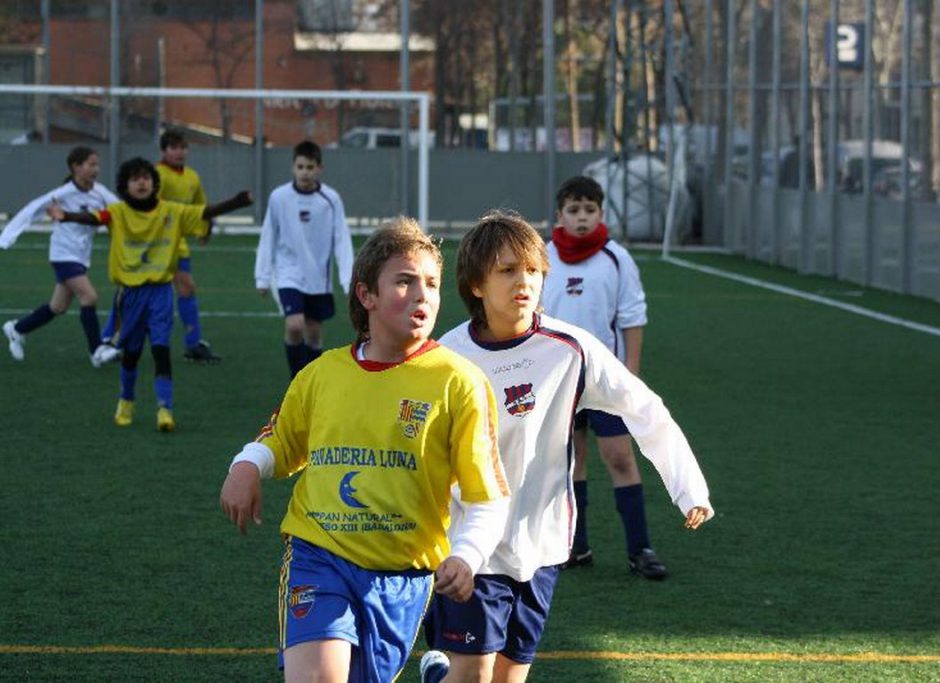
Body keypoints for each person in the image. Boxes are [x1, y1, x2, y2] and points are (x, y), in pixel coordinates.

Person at [420, 211, 713, 683]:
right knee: (474, 676)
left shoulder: (572, 348)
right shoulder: (447, 359)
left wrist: (688, 487)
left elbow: (645, 408)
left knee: (508, 679)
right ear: (476, 284)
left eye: (533, 270)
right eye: (507, 270)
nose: (524, 282)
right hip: (469, 544)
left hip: (542, 544)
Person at [219, 218, 512, 683]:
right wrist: (246, 465)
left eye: (432, 284)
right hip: (320, 554)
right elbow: (283, 440)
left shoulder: (459, 381)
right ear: (366, 295)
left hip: (404, 575)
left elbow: (487, 494)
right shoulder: (323, 373)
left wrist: (468, 554)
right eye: (404, 281)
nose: (423, 295)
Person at [46, 157, 251, 431]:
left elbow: (204, 212)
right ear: (125, 185)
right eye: (134, 178)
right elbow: (94, 218)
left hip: (161, 294)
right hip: (130, 295)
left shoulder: (172, 211)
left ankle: (164, 409)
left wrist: (237, 202)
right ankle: (126, 400)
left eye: (146, 177)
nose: (141, 182)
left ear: (154, 183)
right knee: (131, 354)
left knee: (161, 350)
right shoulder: (117, 212)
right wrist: (67, 216)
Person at [540, 175, 667, 580]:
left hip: (605, 379)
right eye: (574, 211)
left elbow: (633, 315)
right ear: (559, 215)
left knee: (619, 457)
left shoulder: (616, 258)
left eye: (589, 210)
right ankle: (575, 546)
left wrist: (630, 372)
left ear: (601, 214)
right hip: (560, 378)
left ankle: (640, 548)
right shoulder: (544, 256)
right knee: (570, 460)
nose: (582, 218)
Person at [100, 128, 220, 363]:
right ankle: (109, 338)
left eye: (183, 147)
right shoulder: (156, 175)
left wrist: (207, 228)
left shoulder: (192, 177)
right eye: (173, 147)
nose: (179, 152)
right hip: (152, 245)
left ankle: (193, 344)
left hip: (175, 243)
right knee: (131, 289)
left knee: (186, 288)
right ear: (163, 150)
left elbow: (201, 207)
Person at [1, 146, 121, 366]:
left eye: (97, 164)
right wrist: (7, 237)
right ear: (76, 167)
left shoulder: (100, 192)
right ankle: (96, 351)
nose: (96, 169)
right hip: (63, 254)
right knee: (89, 297)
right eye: (91, 164)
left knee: (58, 307)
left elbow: (121, 211)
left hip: (81, 256)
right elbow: (32, 208)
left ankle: (17, 329)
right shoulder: (63, 193)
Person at [255, 140, 354, 377]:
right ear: (293, 167)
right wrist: (262, 276)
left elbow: (341, 239)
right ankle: (295, 383)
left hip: (318, 277)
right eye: (300, 167)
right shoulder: (279, 197)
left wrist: (347, 278)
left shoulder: (330, 200)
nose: (305, 172)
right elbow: (268, 235)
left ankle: (309, 383)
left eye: (310, 167)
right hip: (288, 273)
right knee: (295, 325)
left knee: (313, 333)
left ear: (319, 169)